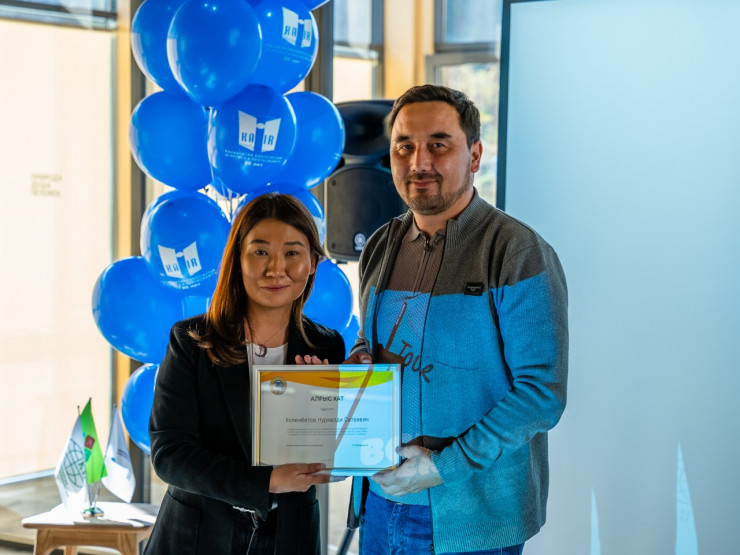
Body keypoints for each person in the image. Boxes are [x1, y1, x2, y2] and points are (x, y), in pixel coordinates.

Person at [344, 85, 569, 554]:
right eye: (404, 146)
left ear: (475, 155)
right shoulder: (380, 246)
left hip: (473, 517)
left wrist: (441, 467)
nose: (419, 161)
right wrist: (361, 355)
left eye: (438, 144)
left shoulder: (517, 252)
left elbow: (542, 393)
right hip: (381, 504)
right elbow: (370, 338)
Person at [145, 193, 346, 555]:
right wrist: (266, 481)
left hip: (289, 536)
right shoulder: (192, 341)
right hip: (198, 536)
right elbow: (170, 455)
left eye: (292, 253)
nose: (276, 269)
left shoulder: (326, 347)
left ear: (313, 263)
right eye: (260, 251)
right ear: (237, 259)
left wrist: (330, 412)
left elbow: (333, 450)